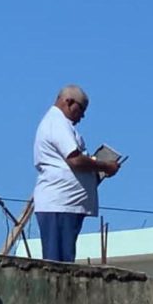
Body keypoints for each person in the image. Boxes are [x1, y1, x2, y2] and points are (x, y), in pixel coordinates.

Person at [32, 85, 120, 262]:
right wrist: (104, 166)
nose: (82, 116)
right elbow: (75, 159)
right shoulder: (57, 123)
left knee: (64, 261)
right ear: (69, 102)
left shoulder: (61, 124)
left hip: (66, 205)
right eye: (81, 109)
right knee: (57, 263)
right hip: (59, 204)